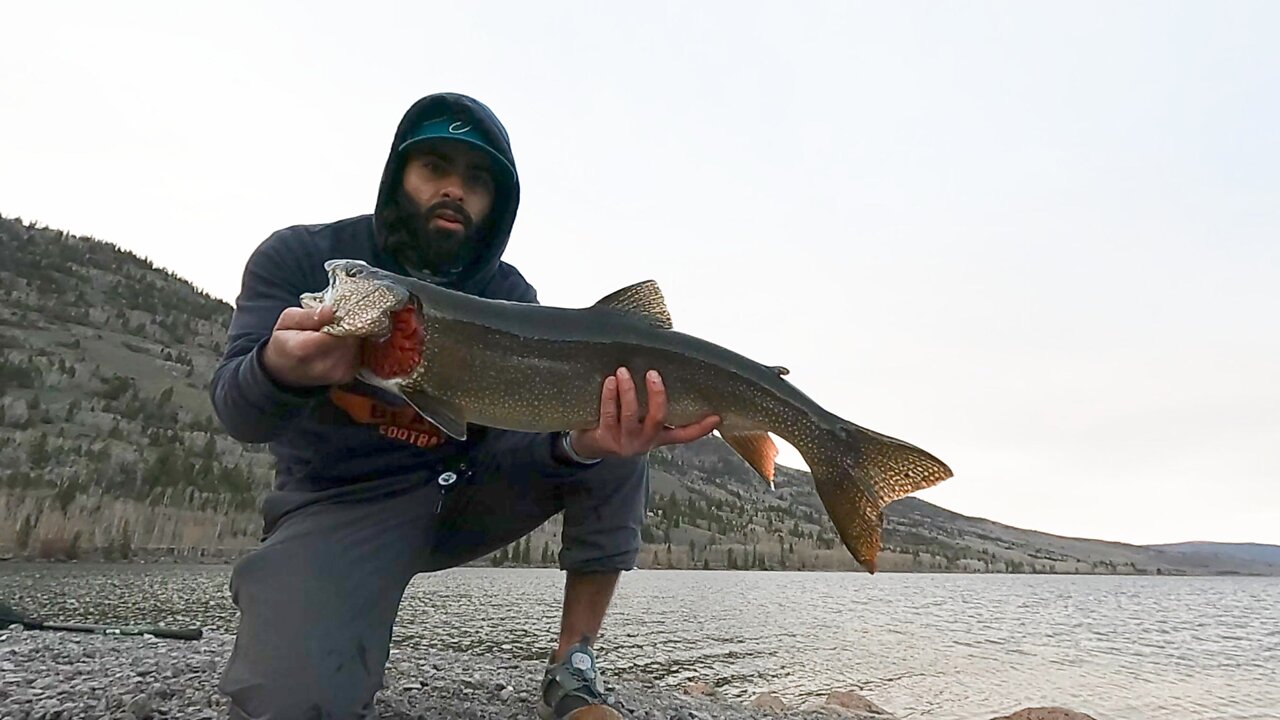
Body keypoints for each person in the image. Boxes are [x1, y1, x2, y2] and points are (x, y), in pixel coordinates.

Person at [209, 92, 719, 720]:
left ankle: (573, 665)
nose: (454, 189)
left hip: (474, 490)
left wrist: (582, 444)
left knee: (615, 413)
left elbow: (515, 440)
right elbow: (238, 412)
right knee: (287, 703)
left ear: (498, 203)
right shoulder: (296, 257)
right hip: (343, 506)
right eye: (434, 169)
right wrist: (276, 369)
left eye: (477, 180)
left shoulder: (509, 293)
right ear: (398, 176)